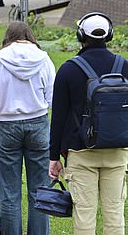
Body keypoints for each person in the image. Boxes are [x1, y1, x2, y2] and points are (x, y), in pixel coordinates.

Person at [49, 13, 127, 235]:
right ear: (109, 35)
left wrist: (54, 157)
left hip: (81, 152)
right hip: (117, 152)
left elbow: (59, 119)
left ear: (80, 35)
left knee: (84, 215)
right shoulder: (125, 66)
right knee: (115, 214)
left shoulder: (68, 69)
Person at [0, 21, 55, 235]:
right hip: (38, 122)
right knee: (40, 191)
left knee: (9, 193)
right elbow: (53, 98)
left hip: (7, 125)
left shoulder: (0, 61)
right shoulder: (44, 59)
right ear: (30, 36)